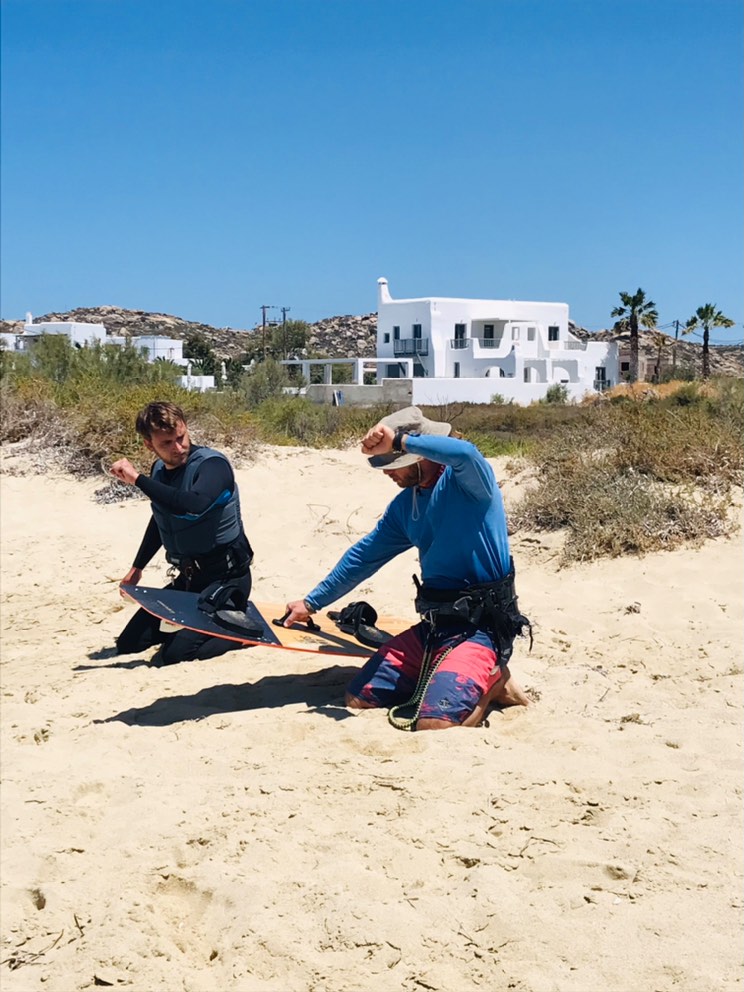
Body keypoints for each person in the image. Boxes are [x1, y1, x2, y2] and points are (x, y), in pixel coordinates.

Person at [284, 406, 531, 731]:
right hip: (434, 628)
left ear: (419, 454)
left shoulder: (470, 486)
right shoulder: (406, 506)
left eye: (393, 462)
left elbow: (466, 453)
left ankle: (494, 681)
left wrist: (401, 440)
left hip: (481, 629)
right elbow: (364, 557)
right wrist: (312, 602)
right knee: (360, 698)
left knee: (436, 725)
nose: (386, 471)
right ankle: (444, 676)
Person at [110, 401, 254, 664]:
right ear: (149, 444)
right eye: (166, 443)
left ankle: (241, 632)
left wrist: (137, 480)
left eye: (181, 437)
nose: (178, 448)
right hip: (190, 579)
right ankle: (201, 623)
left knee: (176, 654)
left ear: (186, 428)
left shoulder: (212, 466)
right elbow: (162, 519)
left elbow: (195, 504)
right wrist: (137, 567)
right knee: (129, 644)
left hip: (226, 579)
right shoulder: (159, 471)